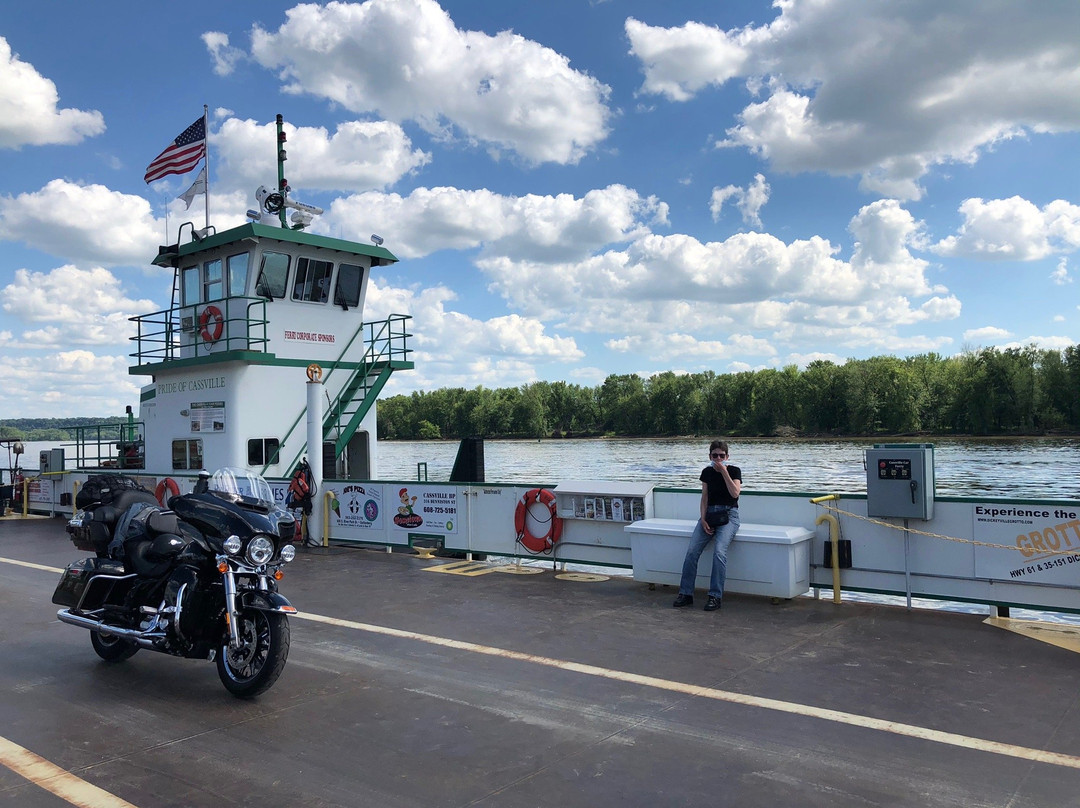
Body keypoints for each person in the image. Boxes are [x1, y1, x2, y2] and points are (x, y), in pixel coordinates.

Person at [673, 440, 742, 612]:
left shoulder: (733, 470)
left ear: (727, 456)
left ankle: (715, 596)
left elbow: (735, 493)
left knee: (719, 552)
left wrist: (724, 472)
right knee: (691, 552)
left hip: (729, 515)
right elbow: (704, 498)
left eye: (721, 456)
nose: (718, 459)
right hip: (710, 514)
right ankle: (686, 593)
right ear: (709, 456)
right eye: (715, 456)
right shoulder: (706, 472)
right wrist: (703, 519)